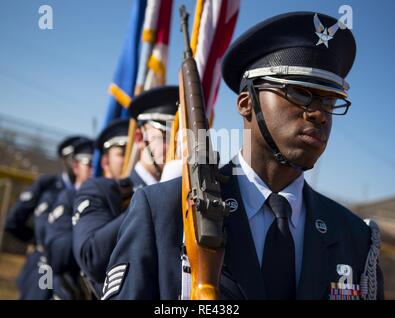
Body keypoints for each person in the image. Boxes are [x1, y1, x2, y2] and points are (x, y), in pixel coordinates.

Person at [103, 12, 384, 300]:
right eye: (300, 93)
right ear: (247, 103)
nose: (319, 114)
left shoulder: (354, 238)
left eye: (328, 100)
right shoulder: (163, 212)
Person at [72, 86, 179, 297]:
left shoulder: (192, 195)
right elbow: (90, 258)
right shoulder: (103, 190)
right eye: (167, 134)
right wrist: (159, 198)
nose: (178, 144)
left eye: (183, 135)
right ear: (140, 138)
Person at [6, 135, 90, 299]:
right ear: (70, 163)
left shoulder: (90, 191)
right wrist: (36, 240)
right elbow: (13, 222)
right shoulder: (48, 186)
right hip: (45, 264)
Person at [44, 138, 94, 300]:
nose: (95, 169)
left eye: (97, 163)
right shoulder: (67, 197)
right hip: (66, 283)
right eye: (89, 164)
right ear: (75, 167)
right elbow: (60, 252)